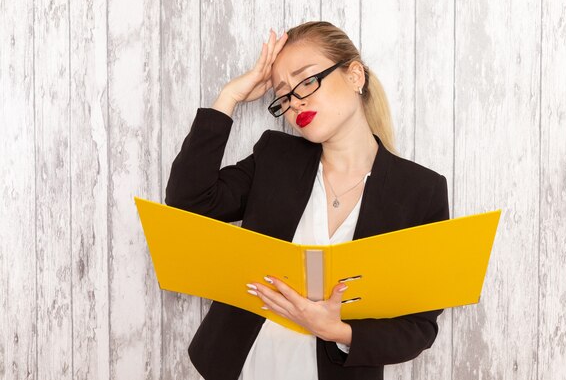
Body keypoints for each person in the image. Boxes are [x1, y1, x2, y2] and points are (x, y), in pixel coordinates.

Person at [164, 20, 450, 380]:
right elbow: (189, 202)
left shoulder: (420, 191)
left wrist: (339, 332)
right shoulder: (276, 158)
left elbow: (420, 327)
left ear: (355, 75)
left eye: (307, 81)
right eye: (284, 95)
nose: (296, 102)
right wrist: (230, 97)